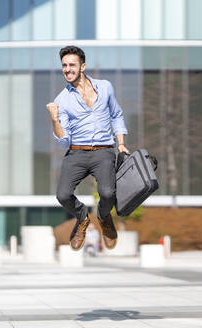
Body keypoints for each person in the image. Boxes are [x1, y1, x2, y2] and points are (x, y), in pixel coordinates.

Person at [46, 45, 129, 251]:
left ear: (82, 66)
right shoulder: (61, 100)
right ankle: (82, 218)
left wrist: (121, 143)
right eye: (64, 65)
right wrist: (55, 120)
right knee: (63, 195)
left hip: (104, 151)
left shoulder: (105, 87)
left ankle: (103, 217)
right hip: (77, 152)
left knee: (108, 193)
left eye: (71, 65)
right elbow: (63, 140)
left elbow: (116, 115)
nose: (67, 69)